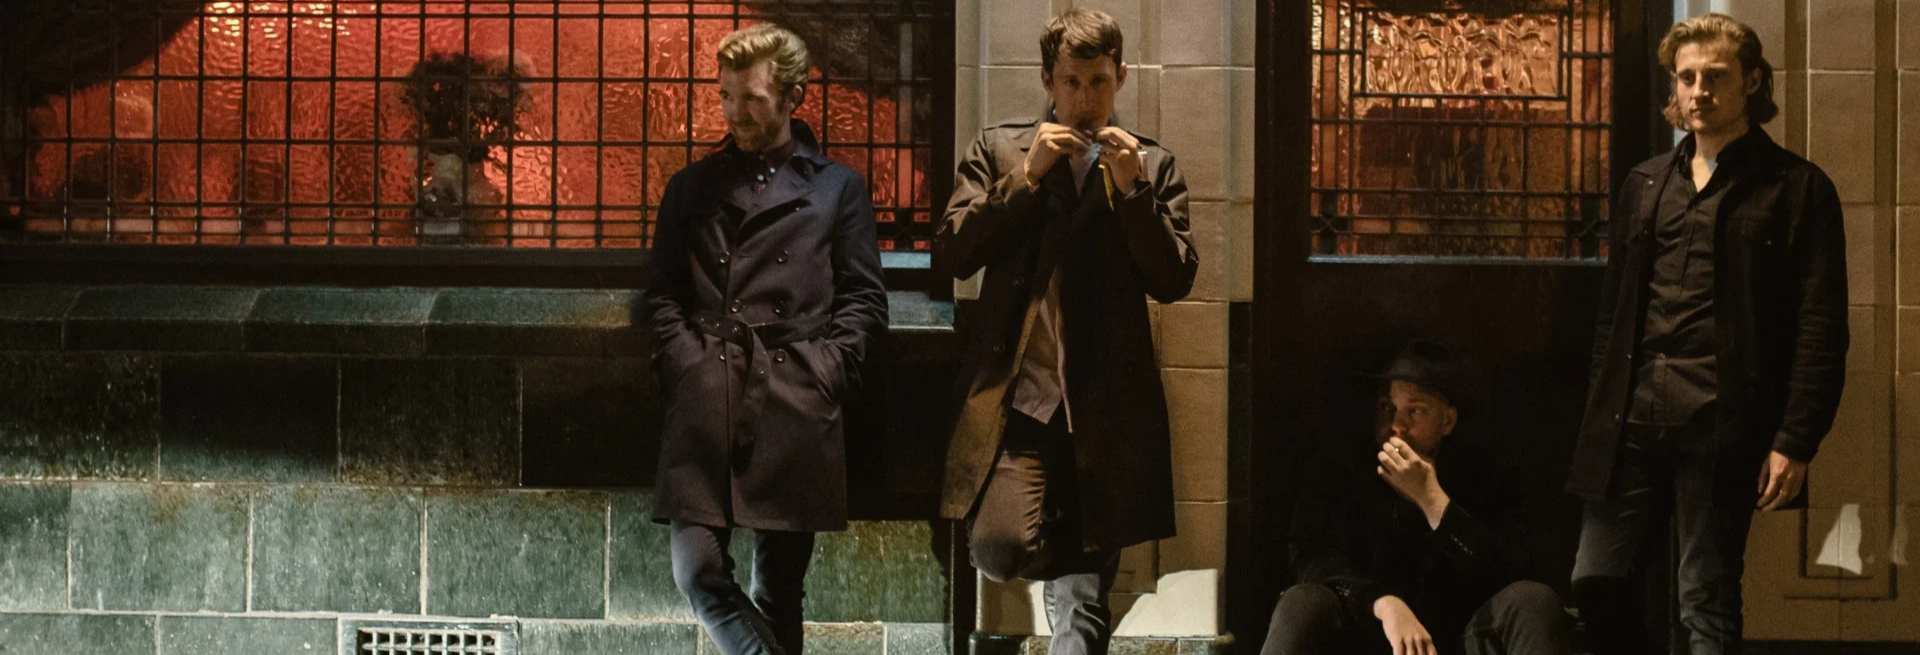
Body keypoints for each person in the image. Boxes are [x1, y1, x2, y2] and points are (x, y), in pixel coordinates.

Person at [1567, 13, 1849, 655]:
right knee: (1595, 578)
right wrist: (1597, 414)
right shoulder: (1646, 182)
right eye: (1687, 77)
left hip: (1723, 422)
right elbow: (1612, 320)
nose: (1699, 91)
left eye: (1715, 77)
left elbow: (1821, 327)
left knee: (1705, 596)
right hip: (1632, 416)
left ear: (1751, 81)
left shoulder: (1796, 189)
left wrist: (1795, 438)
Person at [935, 7, 1198, 655]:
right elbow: (953, 253)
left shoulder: (1151, 165)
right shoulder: (1000, 150)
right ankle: (1067, 559)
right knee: (998, 548)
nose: (1085, 101)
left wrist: (1135, 192)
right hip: (1019, 410)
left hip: (1102, 416)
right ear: (1048, 80)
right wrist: (1025, 182)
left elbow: (1173, 279)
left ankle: (1074, 575)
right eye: (1072, 83)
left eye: (1099, 83)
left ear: (1122, 78)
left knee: (1085, 608)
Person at [645, 23, 888, 655]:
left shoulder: (837, 188)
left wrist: (826, 372)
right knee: (697, 572)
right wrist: (686, 363)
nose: (734, 112)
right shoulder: (691, 188)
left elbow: (864, 300)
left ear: (792, 98)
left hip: (793, 396)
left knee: (779, 589)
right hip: (708, 392)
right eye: (726, 96)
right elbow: (662, 295)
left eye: (750, 98)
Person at [1264, 339, 1570, 655]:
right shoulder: (1341, 471)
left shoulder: (1485, 475)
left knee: (1534, 600)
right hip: (1367, 633)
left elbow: (1512, 569)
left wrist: (1433, 501)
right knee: (1301, 602)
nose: (1397, 425)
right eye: (1387, 408)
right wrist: (1383, 603)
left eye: (1416, 411)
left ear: (1447, 421)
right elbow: (1310, 555)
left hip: (1456, 640)